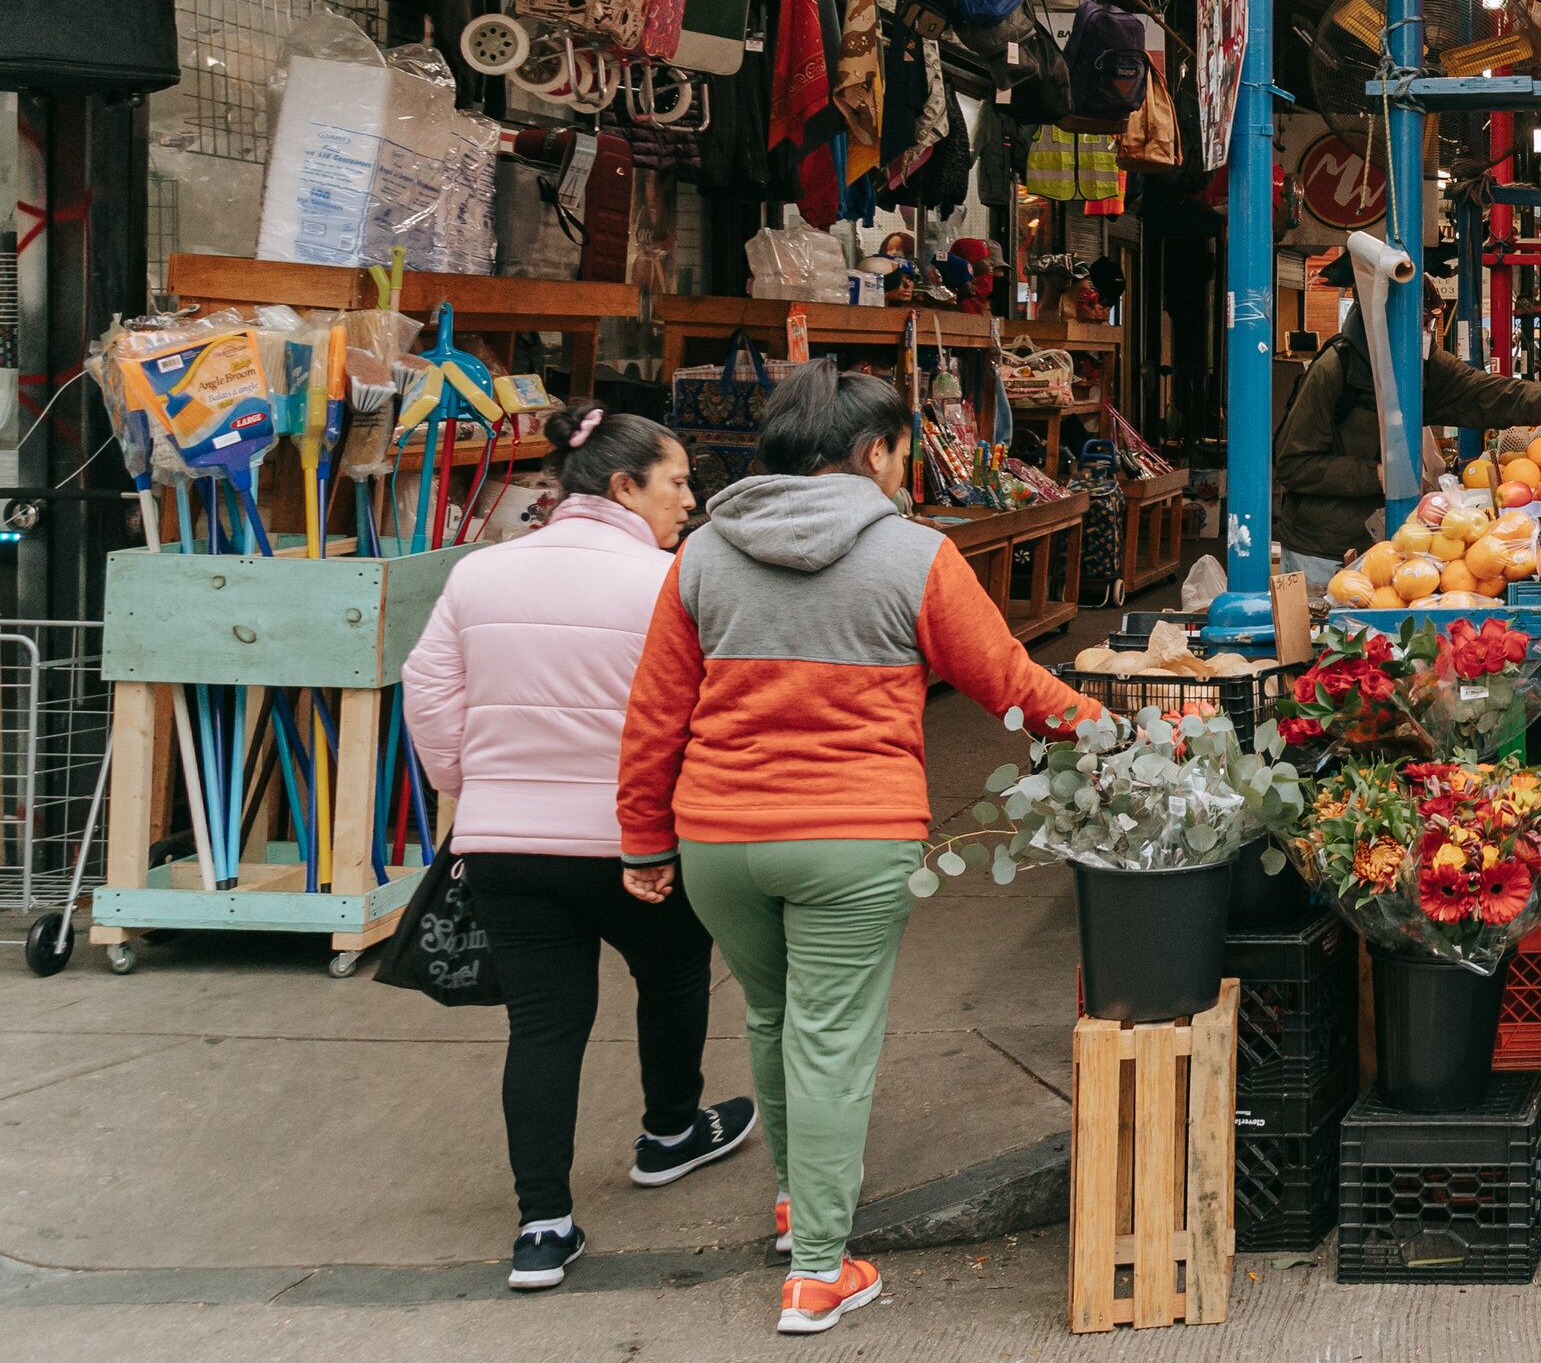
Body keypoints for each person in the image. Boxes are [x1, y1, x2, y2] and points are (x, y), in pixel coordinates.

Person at [617, 361, 1096, 1337]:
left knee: (773, 1017)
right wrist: (1116, 727)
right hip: (849, 835)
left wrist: (642, 839)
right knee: (830, 1039)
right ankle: (819, 1272)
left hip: (718, 838)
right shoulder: (915, 556)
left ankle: (802, 1202)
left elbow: (655, 713)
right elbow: (1009, 684)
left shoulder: (702, 555)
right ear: (875, 452)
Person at [403, 405, 751, 1294]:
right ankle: (670, 1132)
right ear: (623, 485)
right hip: (633, 841)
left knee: (544, 1026)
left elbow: (429, 690)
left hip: (505, 844)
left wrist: (470, 786)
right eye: (676, 481)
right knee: (671, 974)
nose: (689, 498)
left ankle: (542, 1227)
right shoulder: (666, 584)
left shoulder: (480, 575)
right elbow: (699, 714)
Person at [1274, 302, 1541, 580]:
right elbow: (1293, 464)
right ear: (1383, 320)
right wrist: (1375, 474)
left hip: (1393, 544)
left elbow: (1485, 393)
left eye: (1432, 322)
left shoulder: (1424, 364)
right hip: (1324, 551)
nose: (1427, 333)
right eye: (1420, 322)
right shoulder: (1335, 368)